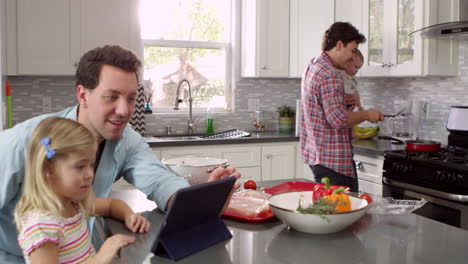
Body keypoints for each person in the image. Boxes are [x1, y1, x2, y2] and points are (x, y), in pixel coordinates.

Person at [0, 45, 240, 261]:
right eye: (111, 97)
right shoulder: (21, 142)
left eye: (131, 98)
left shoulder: (127, 140)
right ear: (83, 95)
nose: (124, 110)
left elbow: (160, 181)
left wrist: (199, 202)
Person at [14, 117, 151, 264]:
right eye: (80, 166)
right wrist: (102, 256)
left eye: (91, 165)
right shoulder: (41, 226)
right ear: (48, 170)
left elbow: (111, 205)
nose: (90, 174)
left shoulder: (74, 204)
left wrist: (129, 216)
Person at [300, 22, 384, 192]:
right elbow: (338, 119)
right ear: (339, 45)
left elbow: (323, 105)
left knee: (330, 213)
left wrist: (344, 100)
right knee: (344, 214)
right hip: (333, 161)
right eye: (352, 50)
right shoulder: (330, 74)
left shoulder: (314, 65)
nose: (352, 57)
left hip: (318, 156)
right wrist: (368, 114)